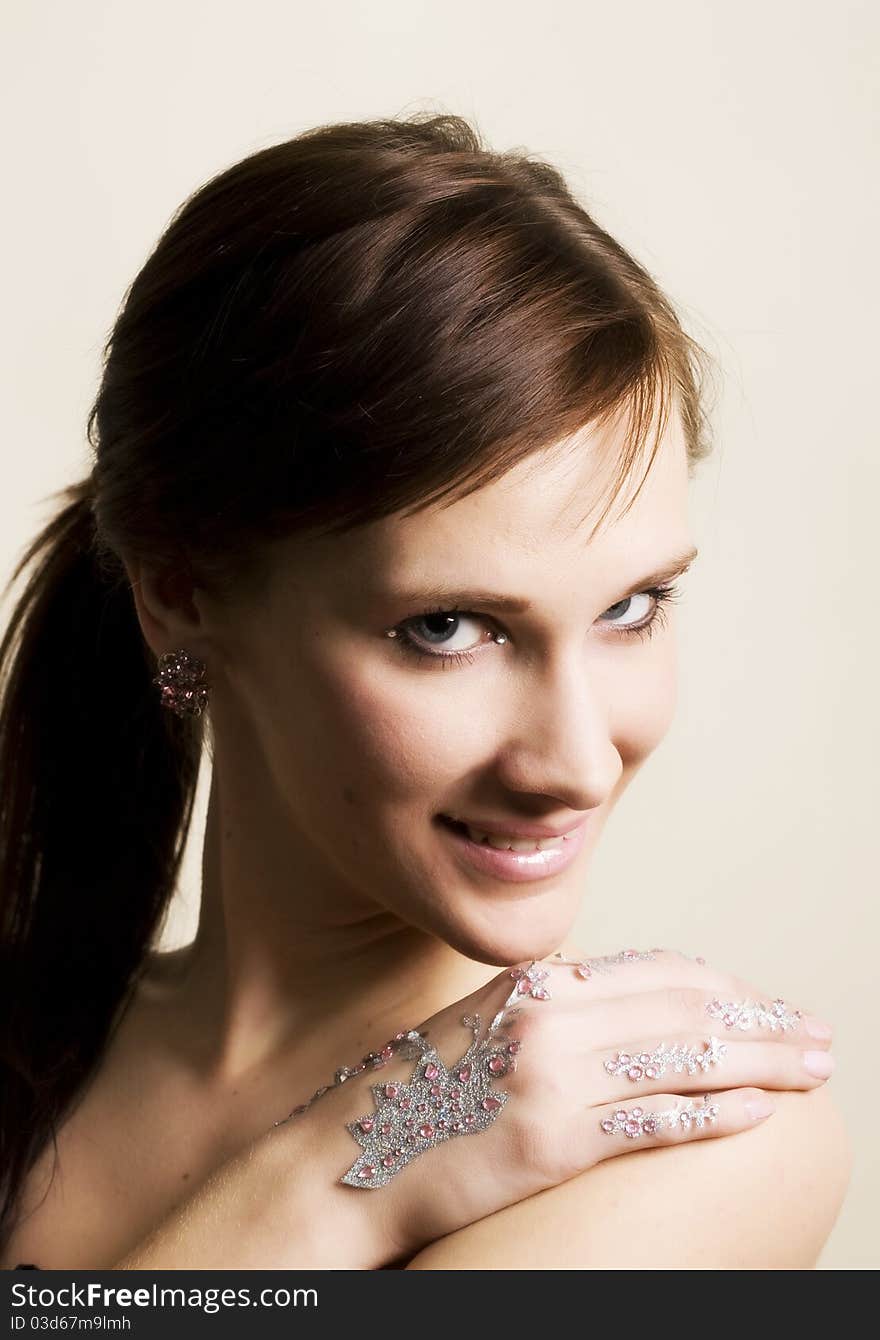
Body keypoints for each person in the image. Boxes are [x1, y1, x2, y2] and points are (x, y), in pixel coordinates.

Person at [0, 113, 850, 1271]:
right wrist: (337, 1175)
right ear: (182, 592)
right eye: (449, 627)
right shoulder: (30, 1032)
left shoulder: (697, 1150)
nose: (578, 761)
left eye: (632, 607)